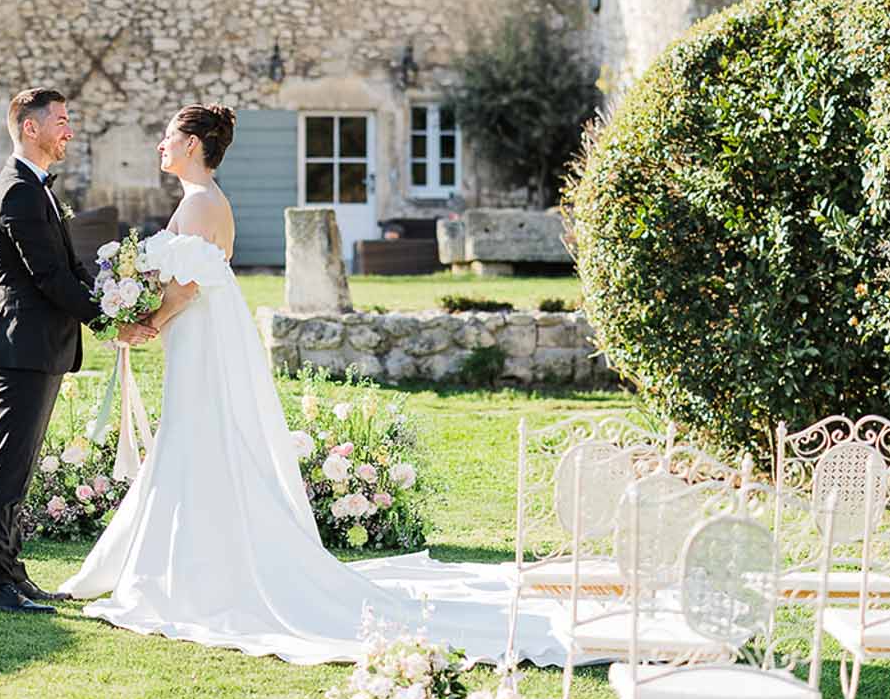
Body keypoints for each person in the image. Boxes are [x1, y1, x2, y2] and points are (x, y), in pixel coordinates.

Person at [60, 103, 565, 665]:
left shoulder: (203, 203)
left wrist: (143, 323)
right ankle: (181, 558)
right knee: (193, 437)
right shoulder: (196, 200)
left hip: (200, 337)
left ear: (194, 145)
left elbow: (188, 290)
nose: (160, 144)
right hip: (196, 340)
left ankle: (198, 572)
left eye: (168, 136)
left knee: (197, 435)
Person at [0, 86, 154, 613]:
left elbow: (68, 266)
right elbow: (47, 275)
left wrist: (116, 307)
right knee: (8, 465)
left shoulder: (37, 188)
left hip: (39, 346)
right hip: (20, 345)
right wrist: (108, 323)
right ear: (30, 128)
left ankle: (11, 571)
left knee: (21, 465)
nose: (68, 130)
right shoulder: (17, 192)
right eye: (61, 121)